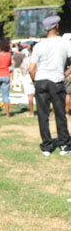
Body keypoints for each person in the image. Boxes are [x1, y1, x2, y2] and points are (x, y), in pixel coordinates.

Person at [29, 15, 71, 156]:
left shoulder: (39, 45)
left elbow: (31, 68)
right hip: (57, 81)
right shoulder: (65, 43)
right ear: (57, 26)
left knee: (43, 115)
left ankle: (46, 146)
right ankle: (64, 144)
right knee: (60, 114)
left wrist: (36, 81)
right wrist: (65, 74)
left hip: (41, 81)